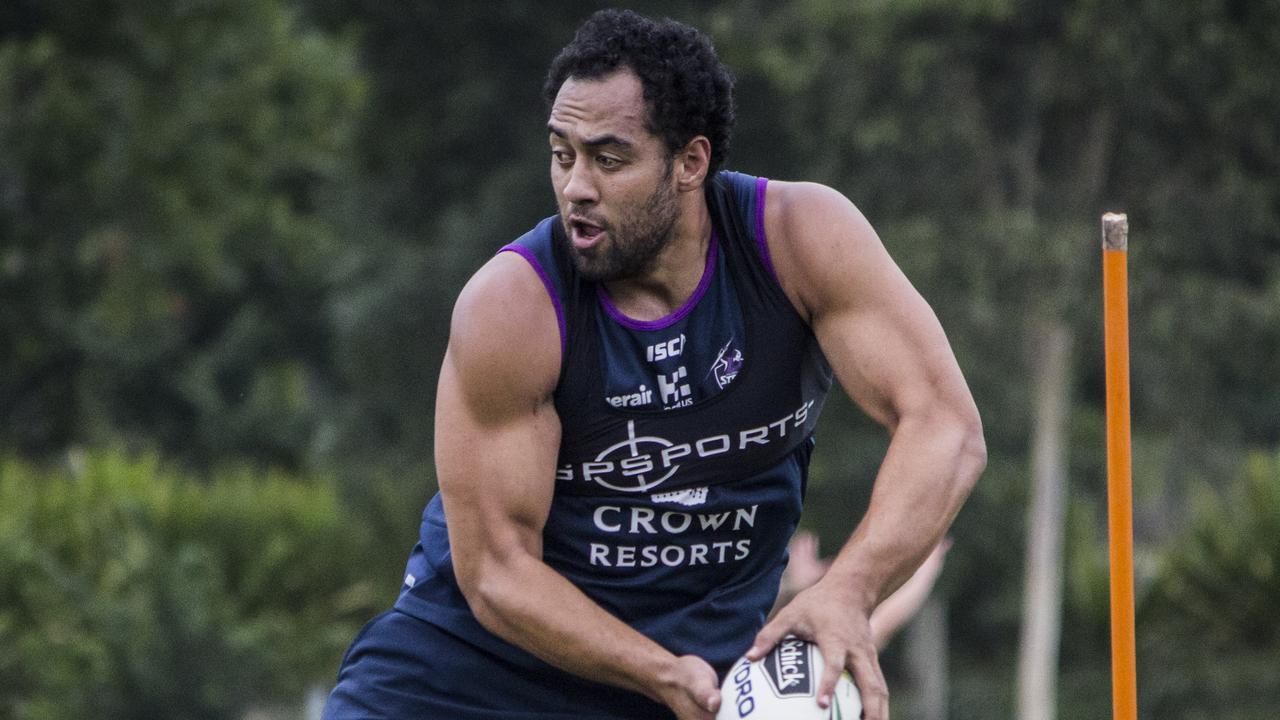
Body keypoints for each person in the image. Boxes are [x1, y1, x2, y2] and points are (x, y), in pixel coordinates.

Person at [323, 9, 985, 720]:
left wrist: (848, 590)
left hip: (689, 683)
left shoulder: (799, 242)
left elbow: (946, 426)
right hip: (467, 673)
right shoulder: (512, 306)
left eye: (608, 159)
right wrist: (660, 672)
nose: (577, 185)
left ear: (690, 163)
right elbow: (497, 574)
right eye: (561, 153)